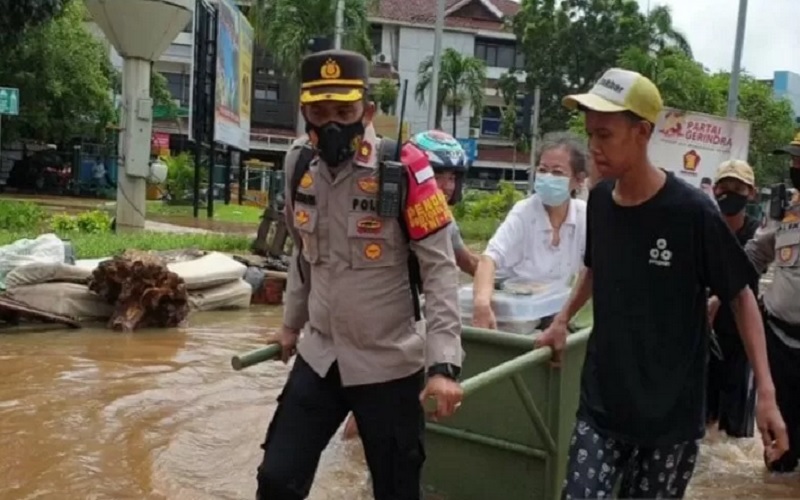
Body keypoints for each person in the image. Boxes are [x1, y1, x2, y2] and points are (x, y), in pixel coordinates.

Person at [534, 68, 788, 499]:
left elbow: (741, 296)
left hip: (671, 415)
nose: (593, 147)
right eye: (590, 133)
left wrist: (765, 391)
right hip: (602, 404)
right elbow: (595, 270)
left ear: (642, 133)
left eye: (606, 135)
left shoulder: (693, 213)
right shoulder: (598, 200)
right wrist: (561, 321)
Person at [255, 50, 464, 500]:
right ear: (304, 112)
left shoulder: (406, 169)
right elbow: (302, 256)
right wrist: (290, 326)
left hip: (388, 362)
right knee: (276, 479)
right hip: (322, 354)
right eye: (319, 111)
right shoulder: (298, 167)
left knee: (396, 489)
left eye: (344, 112)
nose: (332, 123)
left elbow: (440, 270)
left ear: (367, 111)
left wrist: (443, 365)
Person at [342, 129, 477, 441]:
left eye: (452, 178)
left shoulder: (442, 220)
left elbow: (463, 263)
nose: (445, 186)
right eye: (437, 174)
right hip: (379, 326)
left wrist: (493, 283)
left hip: (409, 325)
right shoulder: (383, 208)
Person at [472, 131, 588, 330]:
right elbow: (488, 259)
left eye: (558, 172)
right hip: (515, 316)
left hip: (553, 310)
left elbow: (594, 269)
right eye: (543, 170)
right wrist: (482, 304)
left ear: (578, 180)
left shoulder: (584, 216)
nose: (548, 177)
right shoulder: (525, 212)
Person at [744, 131, 800, 472]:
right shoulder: (785, 211)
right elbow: (754, 254)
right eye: (793, 159)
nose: (795, 166)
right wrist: (721, 289)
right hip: (779, 345)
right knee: (779, 455)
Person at [705, 160, 760, 438]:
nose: (730, 192)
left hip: (741, 339)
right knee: (702, 421)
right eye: (724, 186)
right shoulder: (705, 228)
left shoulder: (758, 235)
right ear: (714, 190)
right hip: (704, 337)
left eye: (737, 187)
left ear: (751, 193)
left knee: (736, 431)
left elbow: (749, 277)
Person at [414, 130, 480, 276]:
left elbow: (467, 261)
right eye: (438, 177)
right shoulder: (392, 214)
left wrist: (498, 278)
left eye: (451, 178)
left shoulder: (443, 218)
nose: (448, 187)